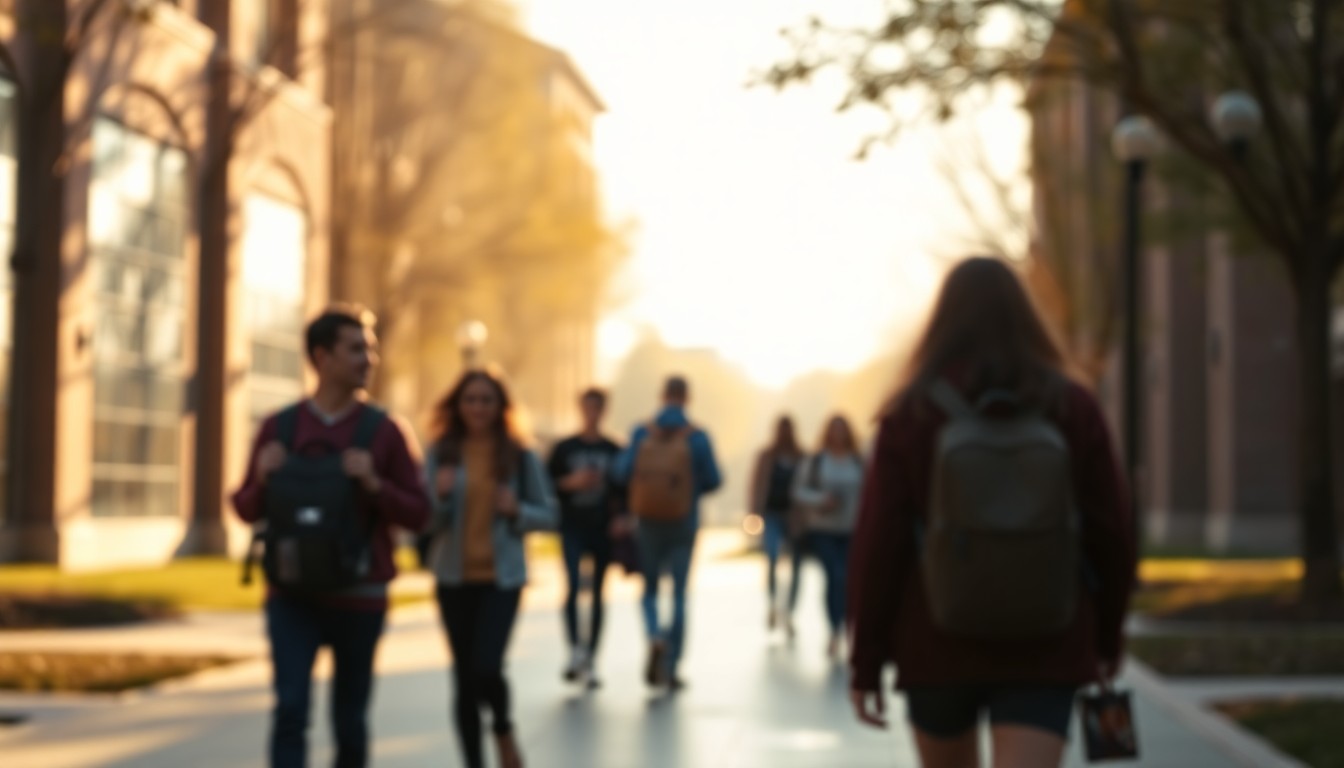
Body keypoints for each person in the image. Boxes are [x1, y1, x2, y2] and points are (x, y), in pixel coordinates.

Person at [847, 257, 1136, 768]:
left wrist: (865, 661)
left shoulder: (911, 413)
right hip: (1048, 641)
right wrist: (1108, 635)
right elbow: (1112, 531)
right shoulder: (1073, 406)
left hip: (936, 641)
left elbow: (878, 543)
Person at [232, 307, 431, 768]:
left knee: (350, 721)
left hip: (360, 595)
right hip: (291, 595)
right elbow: (244, 509)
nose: (371, 359)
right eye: (357, 348)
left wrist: (376, 485)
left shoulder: (385, 431)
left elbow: (421, 514)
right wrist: (261, 478)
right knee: (290, 711)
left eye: (372, 348)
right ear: (322, 357)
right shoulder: (279, 428)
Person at [422, 369, 557, 768]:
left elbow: (550, 515)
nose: (478, 407)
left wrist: (518, 511)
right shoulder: (441, 453)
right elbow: (423, 520)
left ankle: (502, 727)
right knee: (463, 680)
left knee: (486, 666)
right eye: (470, 399)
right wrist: (441, 497)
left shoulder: (519, 454)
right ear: (457, 406)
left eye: (486, 400)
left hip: (502, 580)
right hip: (453, 578)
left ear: (500, 407)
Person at [614, 375, 722, 691]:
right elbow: (715, 480)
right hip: (683, 523)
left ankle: (654, 635)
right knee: (678, 594)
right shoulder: (698, 436)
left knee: (648, 588)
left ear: (661, 395)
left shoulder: (641, 431)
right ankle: (672, 666)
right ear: (687, 397)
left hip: (647, 522)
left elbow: (621, 472)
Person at [547, 388, 623, 687]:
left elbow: (624, 490)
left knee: (599, 595)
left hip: (603, 528)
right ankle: (575, 651)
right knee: (573, 587)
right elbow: (545, 485)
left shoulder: (614, 449)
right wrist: (573, 482)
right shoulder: (564, 448)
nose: (592, 413)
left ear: (604, 411)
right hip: (572, 526)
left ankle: (591, 657)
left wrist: (622, 517)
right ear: (581, 409)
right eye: (587, 408)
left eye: (597, 408)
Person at [791, 414, 865, 658]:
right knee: (835, 575)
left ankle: (846, 626)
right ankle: (834, 629)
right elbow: (798, 491)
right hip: (822, 529)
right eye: (834, 429)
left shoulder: (858, 462)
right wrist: (822, 500)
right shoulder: (816, 461)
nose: (838, 434)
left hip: (851, 530)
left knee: (847, 580)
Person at [747, 415, 805, 634]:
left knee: (796, 566)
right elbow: (755, 484)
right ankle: (773, 603)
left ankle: (789, 611)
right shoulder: (766, 456)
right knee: (771, 558)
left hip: (794, 516)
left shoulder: (801, 456)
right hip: (771, 514)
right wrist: (753, 512)